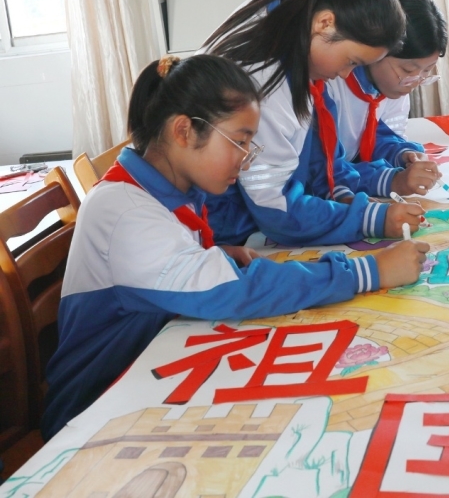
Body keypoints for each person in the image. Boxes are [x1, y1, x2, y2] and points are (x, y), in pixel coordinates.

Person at [41, 55, 429, 441]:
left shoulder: (165, 187)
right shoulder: (126, 211)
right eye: (239, 142)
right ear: (184, 131)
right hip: (95, 410)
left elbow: (161, 272)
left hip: (154, 373)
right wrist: (367, 271)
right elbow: (235, 289)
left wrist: (212, 256)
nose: (246, 160)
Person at [202, 0, 425, 246]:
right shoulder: (264, 82)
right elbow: (275, 207)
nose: (345, 74)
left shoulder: (293, 33)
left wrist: (342, 195)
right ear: (325, 23)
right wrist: (369, 219)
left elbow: (321, 152)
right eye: (351, 61)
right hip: (222, 228)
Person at [327, 0, 447, 197]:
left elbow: (380, 135)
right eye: (408, 69)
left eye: (427, 70)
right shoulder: (332, 82)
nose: (415, 81)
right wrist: (392, 181)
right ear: (376, 51)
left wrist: (403, 155)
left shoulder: (394, 86)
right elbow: (323, 169)